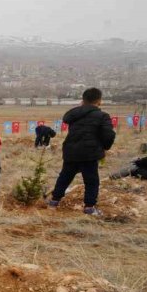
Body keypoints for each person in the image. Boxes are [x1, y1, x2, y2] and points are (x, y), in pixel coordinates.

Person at [48, 88, 116, 216]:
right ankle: (89, 208)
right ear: (99, 101)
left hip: (71, 150)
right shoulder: (103, 116)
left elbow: (67, 119)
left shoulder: (74, 113)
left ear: (83, 100)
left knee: (65, 177)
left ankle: (53, 202)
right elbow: (109, 135)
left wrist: (82, 107)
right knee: (91, 181)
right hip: (90, 153)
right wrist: (105, 147)